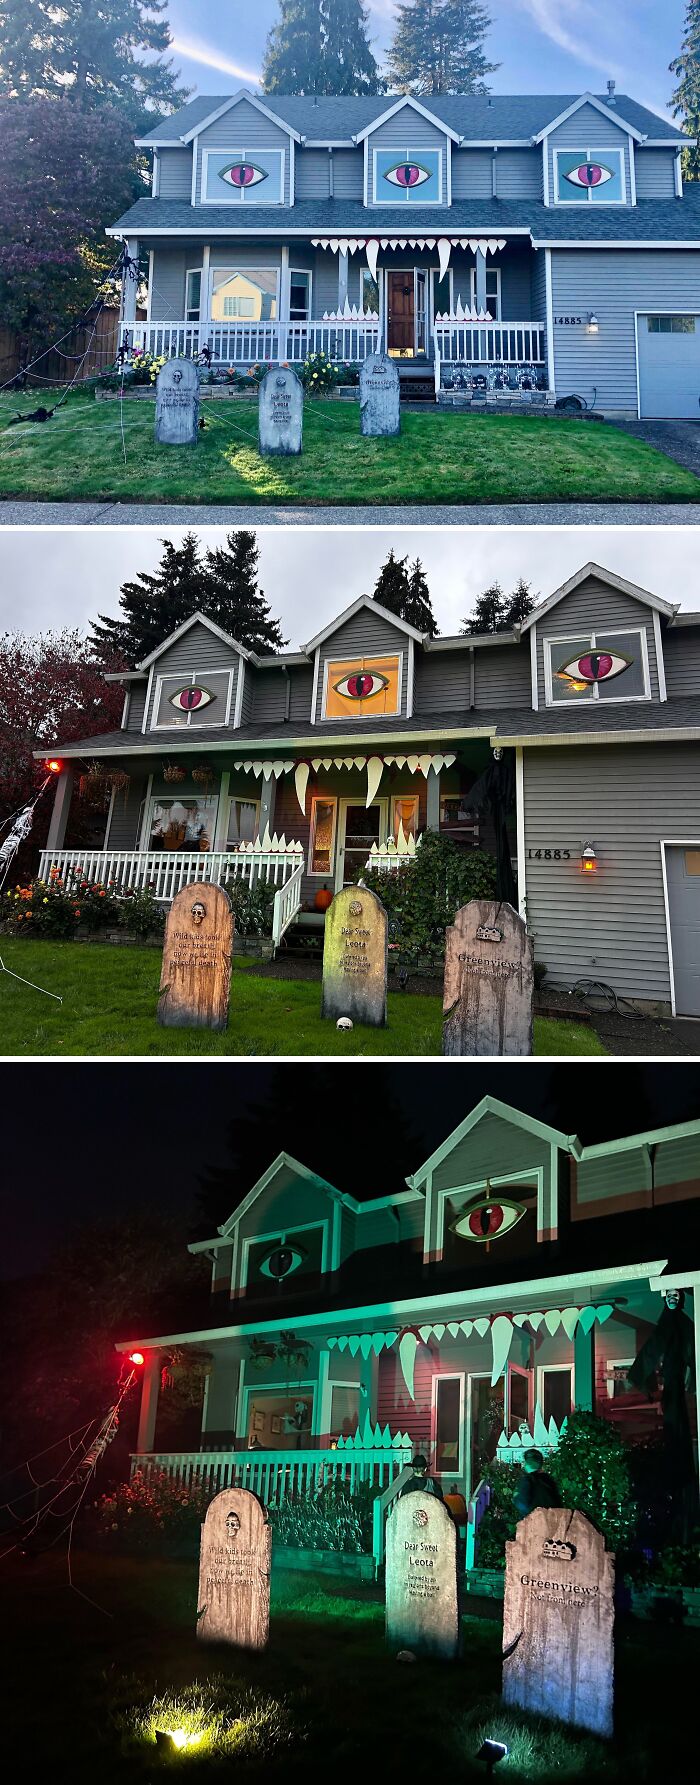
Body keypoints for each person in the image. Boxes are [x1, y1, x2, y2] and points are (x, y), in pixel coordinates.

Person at [512, 1448, 561, 1519]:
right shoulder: (549, 1480)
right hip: (552, 1522)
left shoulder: (527, 1480)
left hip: (535, 1523)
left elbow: (521, 1502)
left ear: (527, 1463)